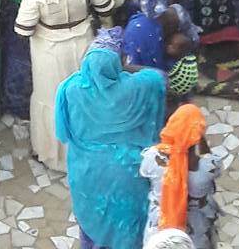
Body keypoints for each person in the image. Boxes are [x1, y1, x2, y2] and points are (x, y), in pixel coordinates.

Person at [55, 34, 166, 249]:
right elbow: (159, 78)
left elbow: (65, 129)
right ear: (118, 63)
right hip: (128, 174)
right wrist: (127, 68)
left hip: (87, 172)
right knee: (128, 227)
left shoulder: (71, 89)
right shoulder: (135, 88)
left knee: (93, 220)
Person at [15, 0, 115, 170]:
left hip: (49, 55)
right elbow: (106, 8)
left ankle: (55, 155)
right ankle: (88, 146)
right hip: (84, 47)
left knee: (52, 100)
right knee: (85, 97)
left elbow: (23, 30)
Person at [140, 104, 220, 249]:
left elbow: (144, 173)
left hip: (159, 227)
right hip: (196, 231)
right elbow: (214, 163)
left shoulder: (152, 156)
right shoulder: (208, 166)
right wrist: (200, 141)